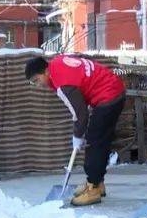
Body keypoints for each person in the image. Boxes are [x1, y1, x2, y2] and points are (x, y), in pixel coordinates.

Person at [26, 53, 126, 206]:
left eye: (36, 80)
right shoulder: (57, 63)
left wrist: (77, 136)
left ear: (45, 71)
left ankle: (93, 188)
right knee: (101, 140)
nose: (38, 85)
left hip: (108, 95)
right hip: (112, 88)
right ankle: (97, 182)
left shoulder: (63, 83)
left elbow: (80, 114)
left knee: (94, 142)